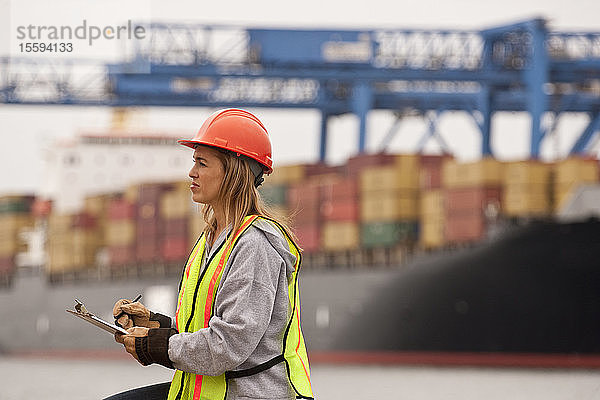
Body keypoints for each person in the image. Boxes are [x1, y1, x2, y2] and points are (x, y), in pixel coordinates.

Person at [106, 109, 314, 400]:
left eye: (202, 163)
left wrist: (156, 345)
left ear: (233, 173)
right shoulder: (211, 239)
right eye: (194, 162)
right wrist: (153, 324)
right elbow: (199, 328)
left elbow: (227, 345)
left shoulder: (255, 245)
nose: (192, 172)